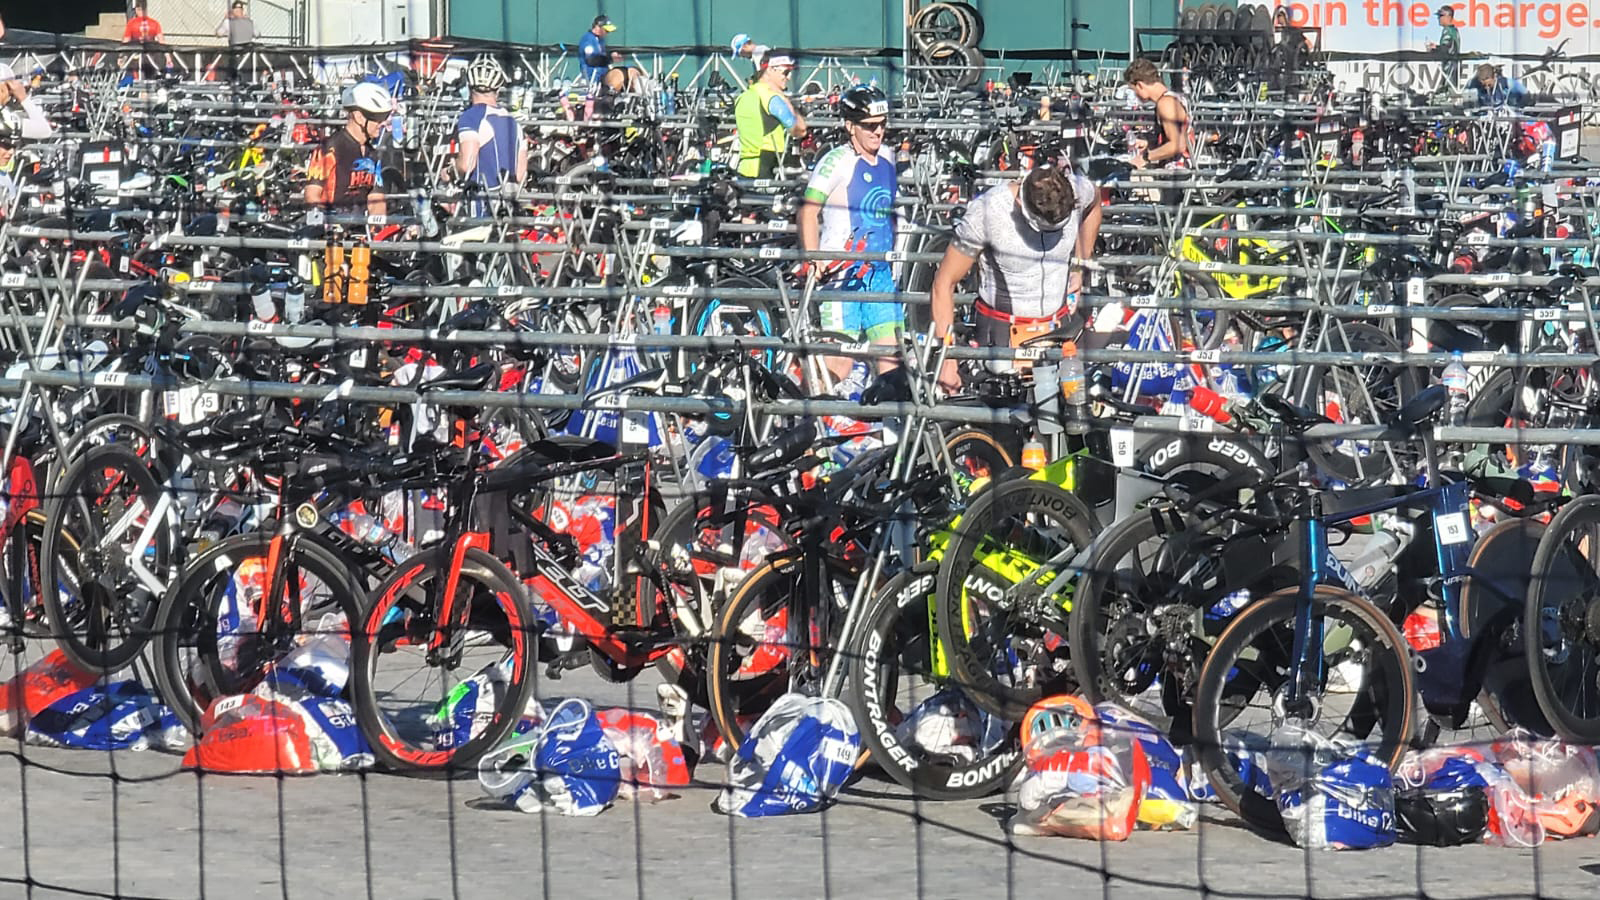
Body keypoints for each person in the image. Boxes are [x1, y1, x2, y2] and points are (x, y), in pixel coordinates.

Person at [929, 160, 1101, 393]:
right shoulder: (988, 211)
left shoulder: (1076, 190)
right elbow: (943, 283)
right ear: (1020, 203)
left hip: (1061, 333)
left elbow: (1095, 199)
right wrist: (947, 358)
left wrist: (1080, 265)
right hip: (1002, 340)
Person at [798, 84, 898, 384]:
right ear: (850, 126)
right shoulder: (836, 161)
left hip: (879, 273)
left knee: (891, 363)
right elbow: (807, 211)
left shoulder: (888, 159)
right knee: (838, 366)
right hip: (842, 273)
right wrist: (813, 258)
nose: (878, 132)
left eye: (882, 124)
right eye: (869, 126)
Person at [305, 82, 393, 215]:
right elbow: (312, 195)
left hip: (360, 224)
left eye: (385, 118)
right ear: (359, 117)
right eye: (378, 118)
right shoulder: (330, 148)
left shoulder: (372, 154)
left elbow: (376, 199)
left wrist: (377, 225)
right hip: (331, 222)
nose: (383, 123)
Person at [454, 56, 527, 197]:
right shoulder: (514, 122)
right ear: (498, 90)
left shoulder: (471, 117)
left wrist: (450, 171)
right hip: (508, 201)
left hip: (480, 199)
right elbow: (520, 174)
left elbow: (467, 165)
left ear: (469, 88)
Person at [734, 50, 807, 178]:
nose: (789, 77)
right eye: (786, 72)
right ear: (770, 70)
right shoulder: (772, 98)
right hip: (767, 167)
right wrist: (786, 100)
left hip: (745, 167)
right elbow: (800, 130)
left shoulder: (744, 96)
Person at [1123, 59, 1192, 169]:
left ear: (1140, 85)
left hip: (1176, 172)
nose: (1136, 95)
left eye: (1134, 90)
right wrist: (1149, 144)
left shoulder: (1166, 103)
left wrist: (1145, 158)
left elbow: (1177, 145)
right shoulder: (1171, 99)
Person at [1427, 6, 1461, 87]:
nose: (1439, 18)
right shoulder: (1454, 30)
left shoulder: (1448, 31)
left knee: (1447, 89)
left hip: (1449, 67)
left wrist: (1434, 48)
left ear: (1449, 17)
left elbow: (1445, 49)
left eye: (1441, 16)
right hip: (1454, 66)